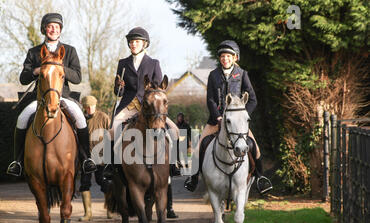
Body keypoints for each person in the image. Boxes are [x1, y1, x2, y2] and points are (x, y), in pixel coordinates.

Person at [6, 13, 96, 177]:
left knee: (81, 118)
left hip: (63, 96)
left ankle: (86, 159)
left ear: (60, 30)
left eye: (56, 26)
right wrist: (36, 70)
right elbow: (23, 78)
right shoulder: (34, 52)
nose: (53, 29)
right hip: (40, 99)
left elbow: (77, 77)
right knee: (22, 118)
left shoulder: (69, 51)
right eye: (50, 26)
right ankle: (17, 161)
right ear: (44, 29)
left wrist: (59, 68)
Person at [184, 40, 273, 194]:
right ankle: (193, 179)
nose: (225, 58)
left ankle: (260, 178)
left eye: (228, 56)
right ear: (220, 59)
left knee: (255, 148)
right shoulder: (213, 75)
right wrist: (218, 117)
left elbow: (253, 99)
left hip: (237, 122)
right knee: (199, 148)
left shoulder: (242, 74)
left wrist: (243, 117)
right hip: (215, 120)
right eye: (222, 56)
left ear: (235, 58)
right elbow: (210, 100)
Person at [104, 27, 181, 181]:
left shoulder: (153, 63)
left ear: (144, 44)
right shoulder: (123, 63)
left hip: (150, 107)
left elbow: (159, 88)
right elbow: (118, 92)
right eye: (131, 42)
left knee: (175, 130)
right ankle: (109, 165)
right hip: (129, 105)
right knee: (111, 130)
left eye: (137, 41)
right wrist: (119, 86)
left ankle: (174, 164)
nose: (133, 44)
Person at [78, 95, 113, 221]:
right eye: (87, 107)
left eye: (91, 107)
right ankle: (88, 213)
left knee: (103, 182)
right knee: (84, 184)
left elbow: (111, 135)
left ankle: (110, 209)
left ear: (95, 106)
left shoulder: (103, 117)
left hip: (101, 156)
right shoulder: (80, 119)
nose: (89, 109)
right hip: (86, 157)